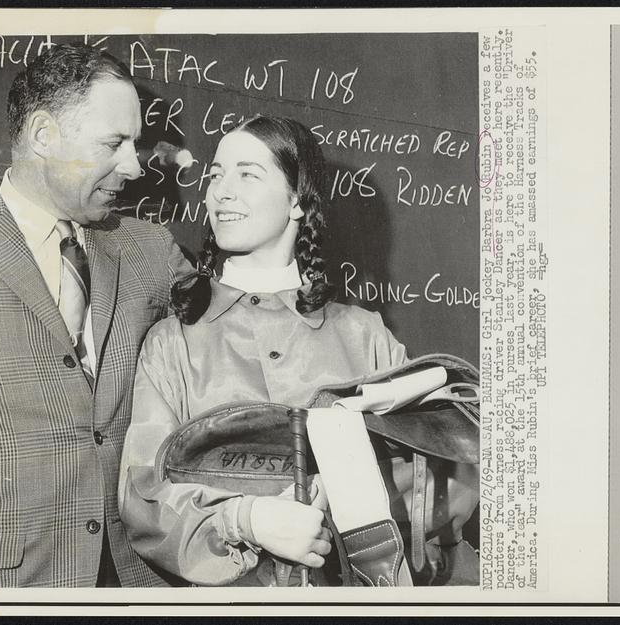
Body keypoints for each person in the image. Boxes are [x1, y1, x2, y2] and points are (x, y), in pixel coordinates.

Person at [0, 44, 192, 589]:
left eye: (135, 144)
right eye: (114, 143)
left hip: (144, 579)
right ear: (43, 134)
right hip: (6, 587)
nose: (134, 165)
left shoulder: (152, 251)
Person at [118, 116, 412, 586]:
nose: (220, 191)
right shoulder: (172, 342)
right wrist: (247, 520)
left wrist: (346, 495)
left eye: (248, 174)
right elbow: (143, 495)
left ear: (297, 201)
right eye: (216, 175)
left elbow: (437, 481)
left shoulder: (366, 337)